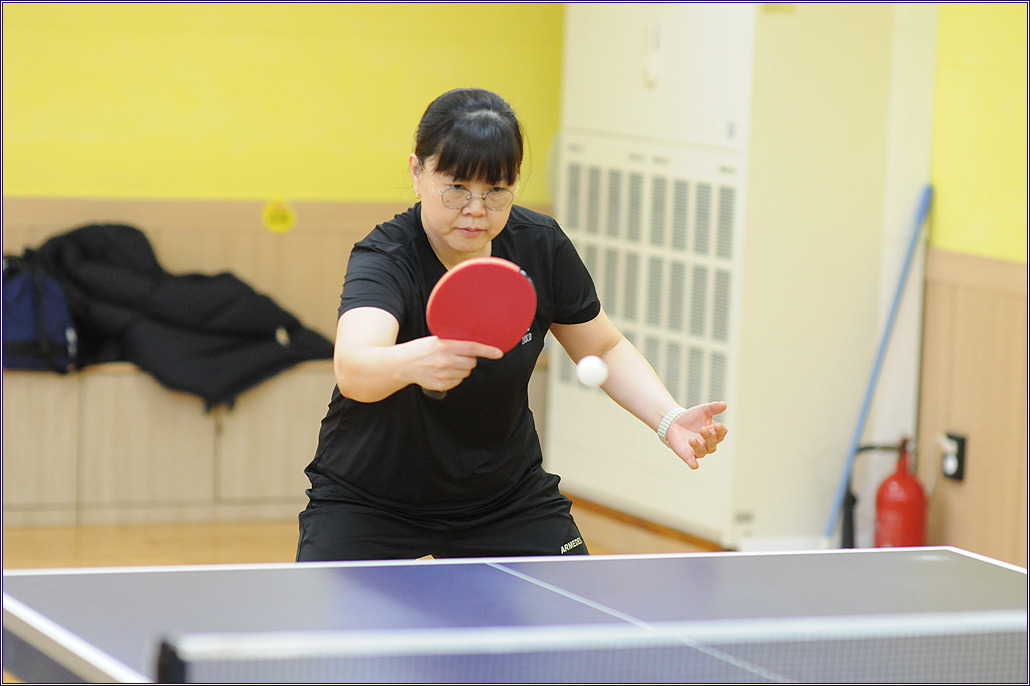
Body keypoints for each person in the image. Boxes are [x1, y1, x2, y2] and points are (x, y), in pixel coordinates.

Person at [296, 88, 727, 561]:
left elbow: (602, 348)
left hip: (504, 500)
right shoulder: (385, 256)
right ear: (417, 173)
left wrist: (668, 419)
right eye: (456, 187)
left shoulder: (539, 245)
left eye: (496, 191)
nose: (476, 208)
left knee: (571, 608)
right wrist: (414, 361)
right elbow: (354, 368)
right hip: (370, 502)